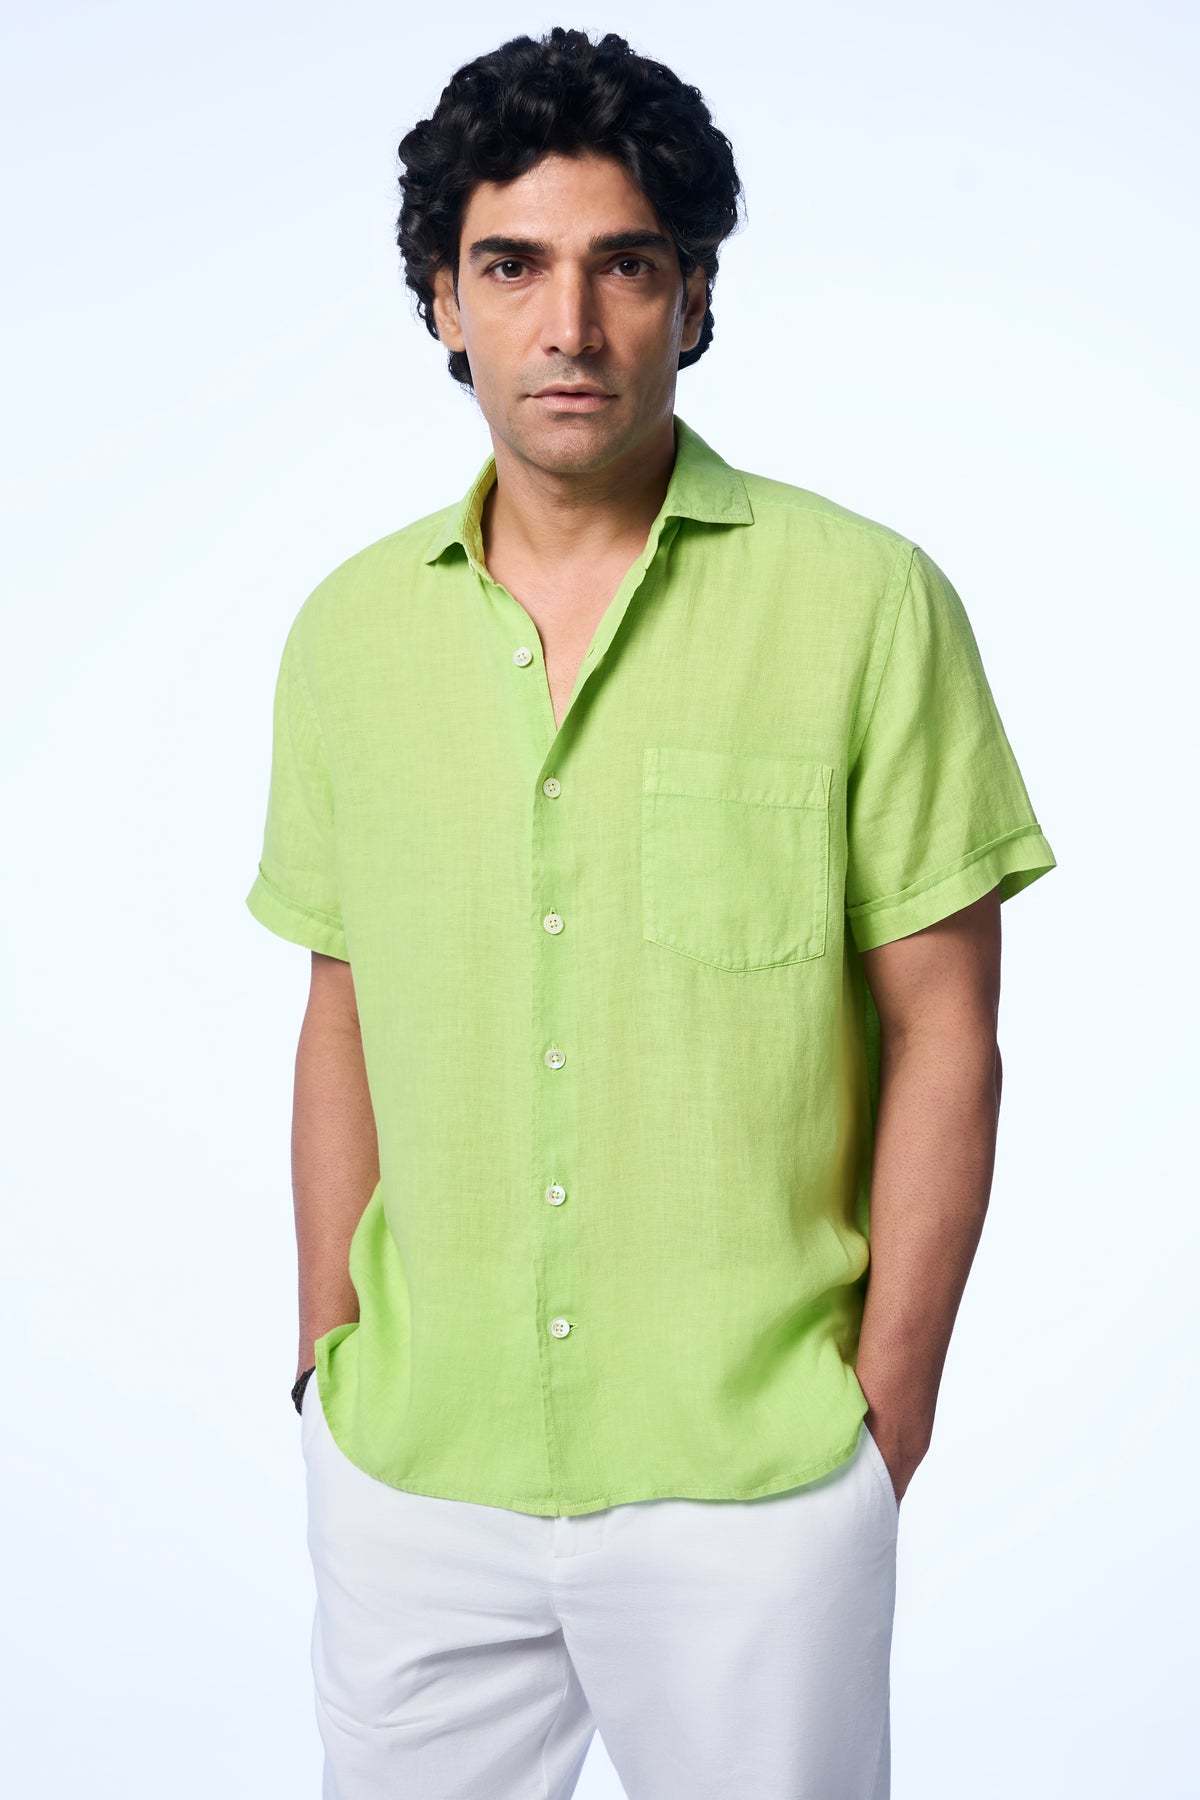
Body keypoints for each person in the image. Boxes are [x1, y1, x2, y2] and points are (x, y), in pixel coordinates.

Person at [244, 25, 1057, 1800]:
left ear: (694, 298)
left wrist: (881, 1422)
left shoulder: (866, 605)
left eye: (625, 265)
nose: (570, 325)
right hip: (414, 1473)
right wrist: (326, 1365)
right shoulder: (347, 637)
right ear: (443, 300)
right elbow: (341, 1006)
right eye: (511, 267)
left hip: (754, 1480)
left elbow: (946, 1029)